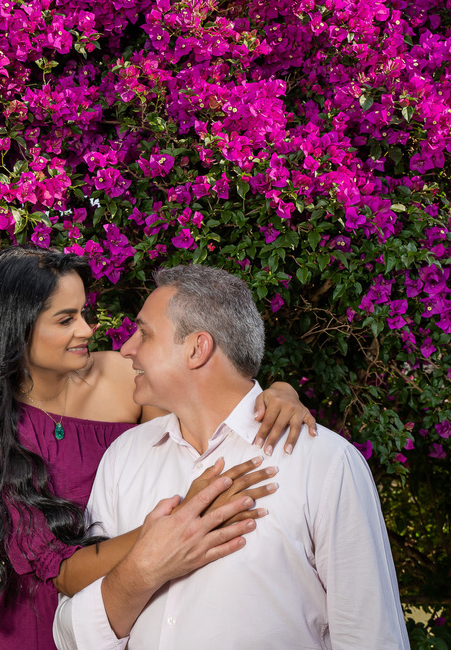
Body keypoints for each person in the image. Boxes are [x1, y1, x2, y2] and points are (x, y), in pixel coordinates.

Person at [0, 246, 316, 650]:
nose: (87, 329)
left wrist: (280, 392)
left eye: (84, 312)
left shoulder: (125, 377)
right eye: (66, 319)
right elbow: (63, 572)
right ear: (16, 328)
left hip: (139, 610)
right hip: (39, 620)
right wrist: (177, 526)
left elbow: (199, 423)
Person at [53, 264, 411, 650]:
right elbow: (70, 633)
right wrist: (144, 568)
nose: (126, 349)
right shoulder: (124, 456)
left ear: (197, 348)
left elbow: (371, 638)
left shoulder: (326, 463)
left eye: (144, 333)